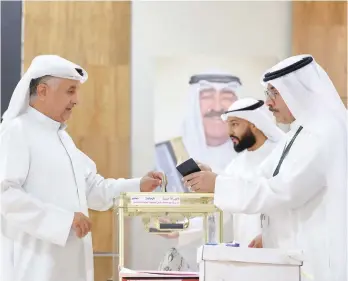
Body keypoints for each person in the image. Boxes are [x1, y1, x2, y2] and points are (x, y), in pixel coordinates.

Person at [181, 55, 347, 281]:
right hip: (297, 257)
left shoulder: (323, 133)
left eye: (274, 93)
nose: (269, 103)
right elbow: (260, 177)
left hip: (319, 261)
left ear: (298, 89)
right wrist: (215, 179)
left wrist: (217, 184)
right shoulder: (299, 134)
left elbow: (282, 191)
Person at [0, 55, 163, 281]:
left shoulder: (64, 140)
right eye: (70, 91)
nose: (76, 100)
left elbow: (94, 189)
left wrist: (139, 185)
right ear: (44, 91)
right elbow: (5, 195)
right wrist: (63, 220)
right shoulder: (16, 131)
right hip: (34, 266)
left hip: (71, 265)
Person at [158, 97, 285, 271]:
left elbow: (288, 202)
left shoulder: (281, 156)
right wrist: (179, 228)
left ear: (254, 123)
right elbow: (220, 211)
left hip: (279, 256)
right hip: (246, 258)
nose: (229, 132)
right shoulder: (237, 165)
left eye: (234, 124)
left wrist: (270, 236)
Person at [155, 72, 242, 192]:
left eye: (227, 97)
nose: (217, 107)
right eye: (207, 96)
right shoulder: (164, 155)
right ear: (194, 104)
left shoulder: (256, 155)